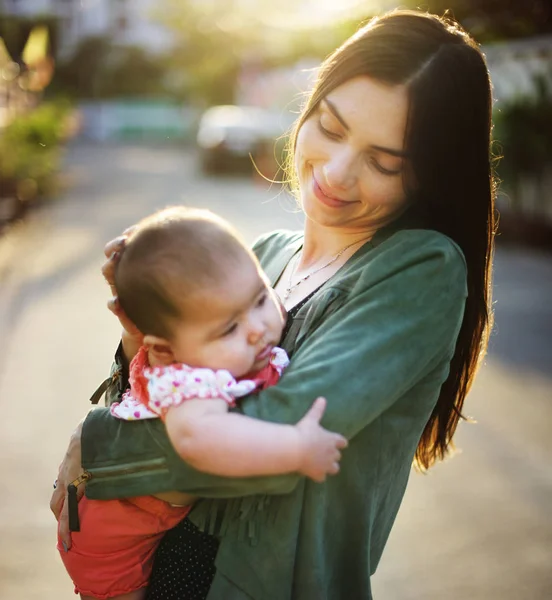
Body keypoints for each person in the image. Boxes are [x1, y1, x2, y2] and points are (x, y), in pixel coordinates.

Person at [51, 9, 496, 599]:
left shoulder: (420, 269)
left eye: (384, 162)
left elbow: (278, 433)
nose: (337, 173)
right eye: (331, 128)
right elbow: (165, 398)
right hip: (152, 572)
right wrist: (142, 342)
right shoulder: (263, 255)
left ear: (428, 177)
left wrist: (98, 442)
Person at [57, 207, 346, 600]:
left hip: (151, 515)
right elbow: (201, 443)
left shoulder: (221, 340)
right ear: (166, 349)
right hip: (108, 541)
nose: (258, 329)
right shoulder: (189, 385)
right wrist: (297, 447)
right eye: (229, 328)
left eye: (261, 298)